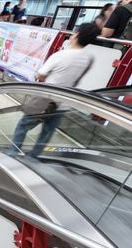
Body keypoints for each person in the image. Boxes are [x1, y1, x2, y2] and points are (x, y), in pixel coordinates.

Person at [8, 23, 100, 158]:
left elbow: (40, 75)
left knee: (22, 126)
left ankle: (12, 153)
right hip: (63, 103)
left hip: (45, 101)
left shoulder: (60, 55)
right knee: (46, 133)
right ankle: (33, 158)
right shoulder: (89, 59)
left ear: (77, 35)